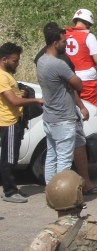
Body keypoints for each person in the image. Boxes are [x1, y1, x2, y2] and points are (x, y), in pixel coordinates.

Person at [38, 24, 86, 183]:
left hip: (50, 117)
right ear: (55, 43)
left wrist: (68, 82)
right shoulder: (58, 64)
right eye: (64, 42)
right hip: (63, 119)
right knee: (64, 161)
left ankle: (51, 193)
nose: (66, 44)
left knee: (52, 157)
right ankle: (63, 199)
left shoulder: (41, 61)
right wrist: (70, 83)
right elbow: (79, 85)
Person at [1, 43, 42, 202]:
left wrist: (23, 92)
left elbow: (14, 94)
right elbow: (14, 101)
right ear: (4, 59)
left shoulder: (7, 75)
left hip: (14, 122)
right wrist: (36, 100)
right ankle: (9, 191)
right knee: (9, 158)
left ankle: (11, 188)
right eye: (14, 60)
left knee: (12, 155)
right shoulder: (2, 76)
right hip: (9, 122)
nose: (17, 63)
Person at [65, 8, 97, 108]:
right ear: (87, 23)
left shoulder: (64, 35)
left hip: (69, 79)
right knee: (92, 109)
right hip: (87, 81)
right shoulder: (89, 36)